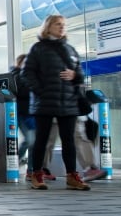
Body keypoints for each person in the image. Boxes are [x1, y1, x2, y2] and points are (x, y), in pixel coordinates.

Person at [22, 14, 90, 191]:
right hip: (44, 102)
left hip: (68, 102)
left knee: (69, 140)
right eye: (58, 24)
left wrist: (75, 76)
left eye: (63, 24)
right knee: (42, 140)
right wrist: (40, 91)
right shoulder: (38, 49)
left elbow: (81, 74)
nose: (62, 27)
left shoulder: (70, 49)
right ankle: (36, 174)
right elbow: (26, 73)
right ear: (48, 27)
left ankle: (72, 176)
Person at [12, 53, 36, 180]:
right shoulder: (16, 76)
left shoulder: (33, 75)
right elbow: (21, 92)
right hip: (22, 113)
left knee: (34, 142)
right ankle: (15, 161)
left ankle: (31, 171)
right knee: (30, 140)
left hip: (33, 113)